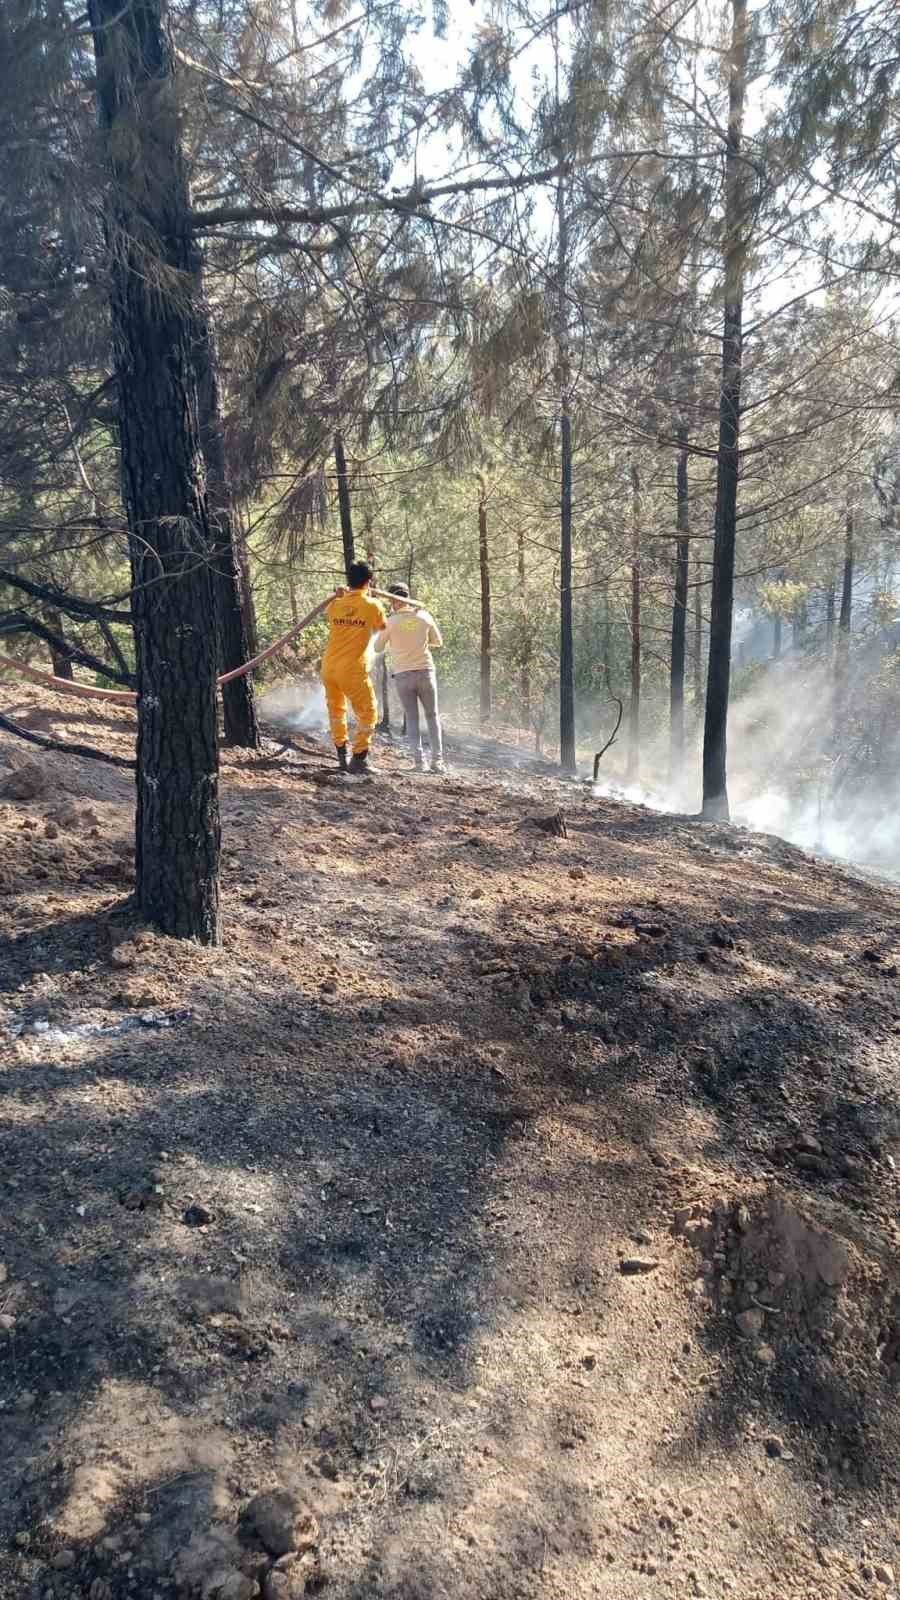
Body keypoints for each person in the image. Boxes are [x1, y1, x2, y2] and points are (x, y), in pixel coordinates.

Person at [321, 561, 387, 775]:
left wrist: (339, 596)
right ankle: (359, 759)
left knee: (336, 710)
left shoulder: (334, 604)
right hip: (352, 669)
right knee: (369, 712)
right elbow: (382, 627)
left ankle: (342, 756)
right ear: (369, 581)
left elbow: (333, 615)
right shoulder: (373, 605)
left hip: (329, 666)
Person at [374, 583, 446, 774]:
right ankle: (437, 763)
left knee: (412, 718)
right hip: (425, 672)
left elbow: (377, 648)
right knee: (432, 716)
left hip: (403, 676)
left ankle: (419, 762)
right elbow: (438, 642)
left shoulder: (390, 622)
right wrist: (420, 640)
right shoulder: (424, 616)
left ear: (394, 601)